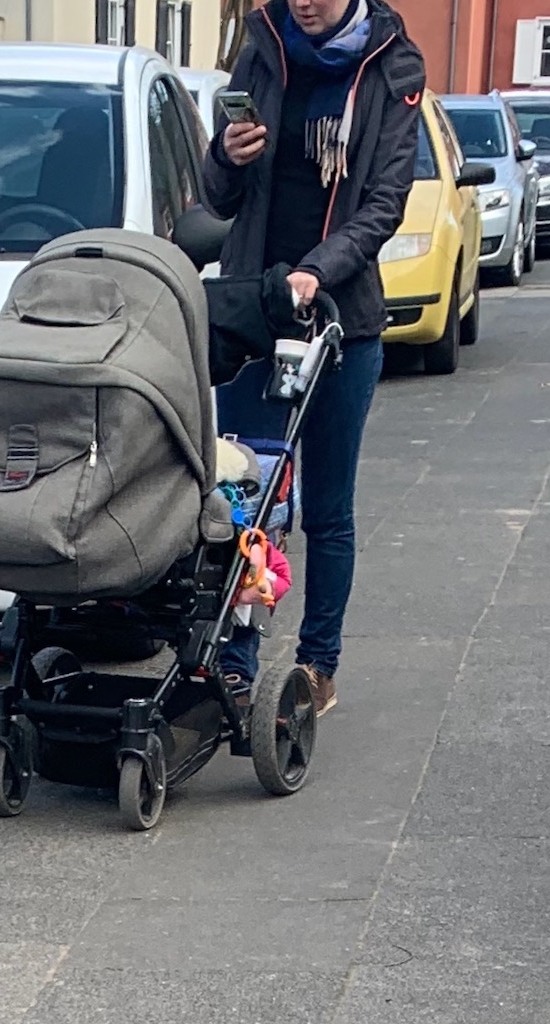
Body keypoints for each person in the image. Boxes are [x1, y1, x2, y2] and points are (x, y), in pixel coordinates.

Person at [203, 0, 426, 717]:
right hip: (253, 312)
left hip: (339, 319)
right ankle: (234, 664)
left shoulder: (393, 64)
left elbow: (385, 202)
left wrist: (316, 272)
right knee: (243, 498)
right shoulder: (263, 45)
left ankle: (317, 664)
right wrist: (226, 156)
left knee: (327, 508)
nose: (303, 2)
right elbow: (217, 197)